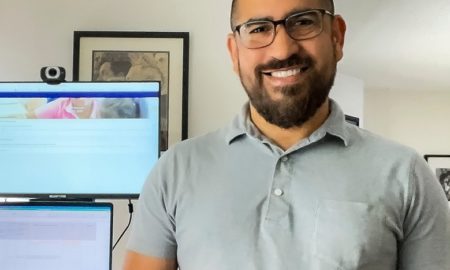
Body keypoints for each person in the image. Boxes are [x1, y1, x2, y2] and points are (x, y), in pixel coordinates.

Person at [124, 0, 450, 269]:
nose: (282, 49)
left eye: (304, 22)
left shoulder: (406, 175)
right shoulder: (175, 170)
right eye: (258, 29)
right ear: (234, 53)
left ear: (336, 37)